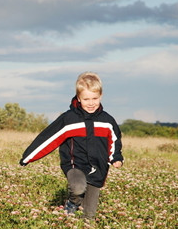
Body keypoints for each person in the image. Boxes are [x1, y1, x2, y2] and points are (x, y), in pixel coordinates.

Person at [20, 72, 124, 220]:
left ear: (101, 96)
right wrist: (28, 157)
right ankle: (72, 203)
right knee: (78, 187)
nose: (91, 103)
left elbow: (115, 140)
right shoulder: (69, 119)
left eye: (95, 98)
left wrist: (116, 158)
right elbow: (49, 138)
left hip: (99, 169)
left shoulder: (107, 120)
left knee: (89, 217)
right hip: (75, 165)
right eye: (86, 99)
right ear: (78, 98)